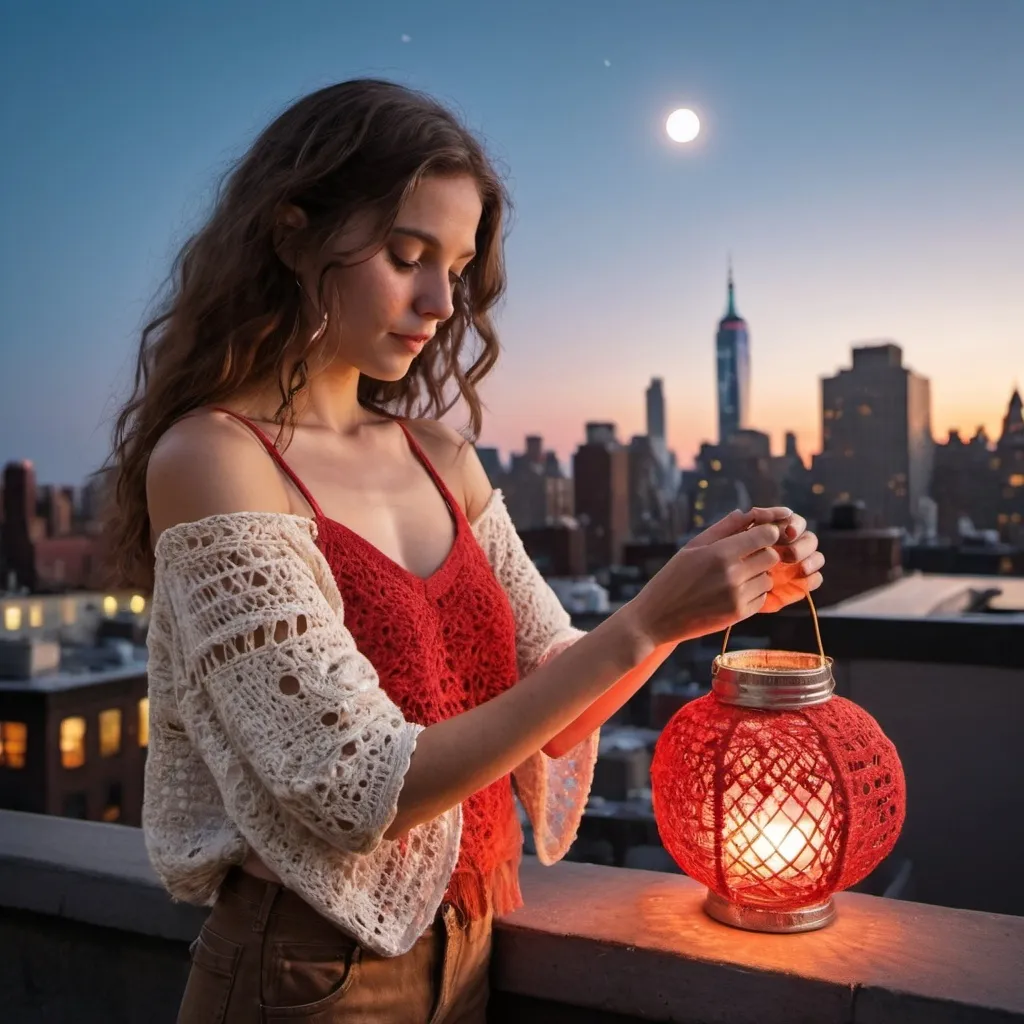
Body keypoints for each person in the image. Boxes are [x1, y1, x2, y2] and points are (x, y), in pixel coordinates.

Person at [107, 79, 824, 1024]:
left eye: (458, 265)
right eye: (408, 256)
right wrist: (649, 618)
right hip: (306, 975)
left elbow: (556, 706)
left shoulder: (439, 455)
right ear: (290, 235)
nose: (442, 301)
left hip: (476, 948)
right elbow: (359, 787)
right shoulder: (213, 461)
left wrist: (693, 602)